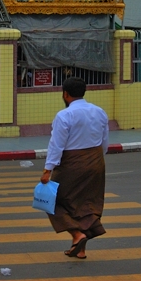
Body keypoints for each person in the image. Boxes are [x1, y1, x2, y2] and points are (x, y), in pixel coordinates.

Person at [40, 77, 109, 259]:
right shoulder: (99, 111)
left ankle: (77, 235)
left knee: (49, 200)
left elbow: (57, 145)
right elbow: (105, 143)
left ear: (65, 94)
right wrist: (96, 159)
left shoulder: (65, 115)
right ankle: (80, 247)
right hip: (96, 162)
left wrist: (48, 170)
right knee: (86, 203)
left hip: (72, 164)